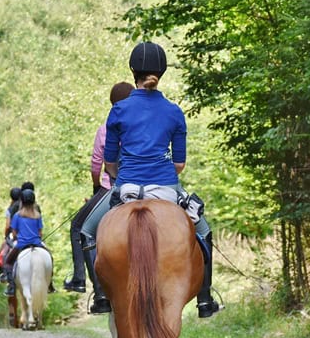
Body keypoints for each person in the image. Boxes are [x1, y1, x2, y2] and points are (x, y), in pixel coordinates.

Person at [81, 41, 220, 318]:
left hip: (127, 186)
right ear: (162, 72)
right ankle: (205, 298)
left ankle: (101, 295)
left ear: (133, 71)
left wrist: (122, 176)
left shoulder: (118, 110)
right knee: (203, 233)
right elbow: (179, 164)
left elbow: (109, 163)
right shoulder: (173, 112)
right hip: (167, 187)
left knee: (86, 231)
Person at [64, 82, 135, 314]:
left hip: (113, 188)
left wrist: (97, 186)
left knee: (79, 228)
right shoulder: (142, 124)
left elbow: (98, 164)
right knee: (194, 221)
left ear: (112, 103)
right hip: (151, 184)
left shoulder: (107, 127)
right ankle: (203, 294)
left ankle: (90, 286)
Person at [3, 188, 54, 297]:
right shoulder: (37, 215)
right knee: (50, 257)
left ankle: (11, 286)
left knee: (7, 262)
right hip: (37, 243)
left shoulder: (17, 216)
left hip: (21, 244)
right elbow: (40, 233)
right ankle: (50, 284)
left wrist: (20, 237)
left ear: (22, 201)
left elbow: (14, 233)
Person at [0, 187, 21, 283]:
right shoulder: (28, 207)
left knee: (2, 255)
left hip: (14, 235)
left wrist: (6, 236)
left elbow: (7, 226)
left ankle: (4, 274)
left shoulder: (10, 209)